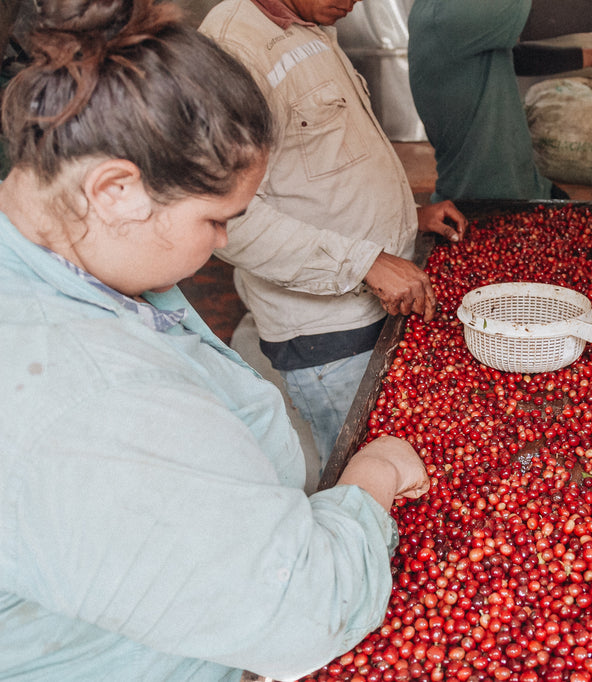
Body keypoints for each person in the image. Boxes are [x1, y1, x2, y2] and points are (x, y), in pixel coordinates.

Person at [0, 1, 429, 679]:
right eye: (215, 219)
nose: (225, 242)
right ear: (116, 191)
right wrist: (372, 477)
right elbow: (299, 615)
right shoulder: (88, 403)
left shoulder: (68, 256)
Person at [199, 0, 469, 473]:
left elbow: (323, 162)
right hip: (329, 333)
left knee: (404, 466)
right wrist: (363, 262)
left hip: (380, 305)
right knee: (364, 477)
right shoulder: (232, 51)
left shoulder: (311, 24)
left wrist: (409, 214)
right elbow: (228, 220)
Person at [407, 0, 592, 203]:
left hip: (519, 185)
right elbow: (583, 15)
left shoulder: (433, 8)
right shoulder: (459, 8)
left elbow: (508, 55)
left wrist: (588, 56)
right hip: (489, 202)